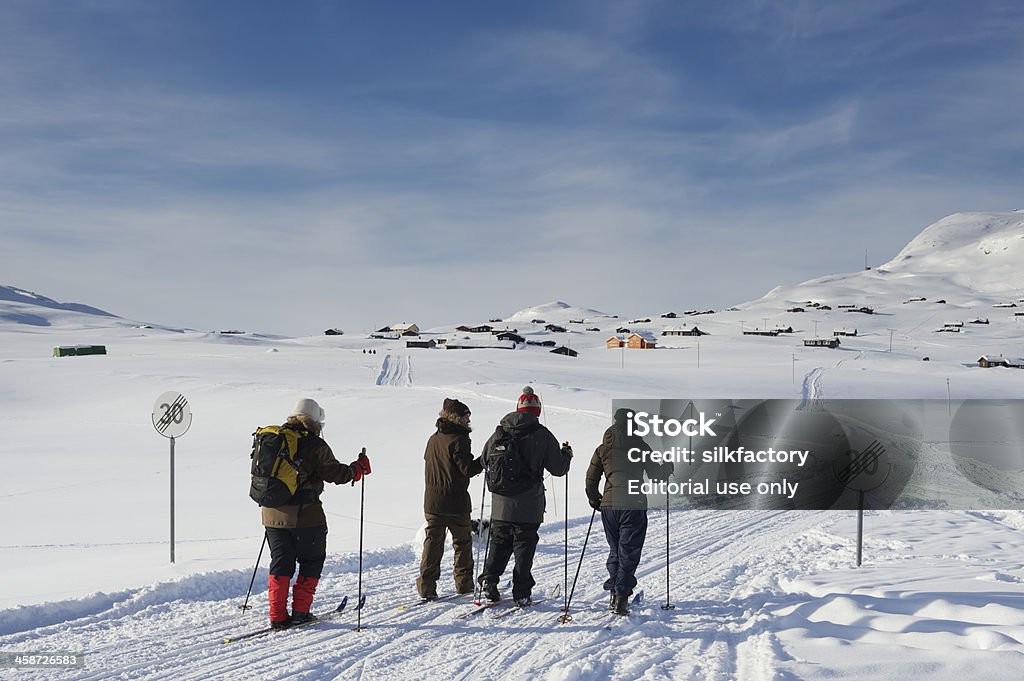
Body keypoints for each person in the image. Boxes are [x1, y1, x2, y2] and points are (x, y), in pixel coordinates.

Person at [261, 398, 372, 629]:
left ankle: (277, 615)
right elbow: (336, 474)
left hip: (271, 513)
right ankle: (301, 612)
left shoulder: (273, 439)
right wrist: (357, 469)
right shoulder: (313, 444)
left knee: (280, 563)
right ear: (314, 420)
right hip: (306, 515)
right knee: (311, 560)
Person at [478, 387, 572, 606]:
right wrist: (566, 454)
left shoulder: (499, 433)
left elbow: (484, 460)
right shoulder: (542, 435)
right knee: (524, 547)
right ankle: (521, 592)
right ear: (537, 411)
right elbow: (558, 469)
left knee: (499, 542)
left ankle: (489, 581)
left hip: (501, 504)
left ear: (517, 409)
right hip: (529, 505)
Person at [585, 408, 672, 615]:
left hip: (609, 507)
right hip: (633, 504)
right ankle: (622, 597)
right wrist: (667, 467)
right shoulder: (640, 446)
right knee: (629, 551)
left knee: (616, 549)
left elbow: (591, 478)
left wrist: (595, 499)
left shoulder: (602, 449)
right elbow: (657, 477)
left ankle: (614, 593)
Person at [418, 398, 484, 599]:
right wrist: (484, 460)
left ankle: (426, 587)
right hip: (455, 501)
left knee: (433, 544)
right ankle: (464, 585)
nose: (469, 420)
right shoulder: (459, 439)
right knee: (462, 543)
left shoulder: (433, 438)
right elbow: (467, 469)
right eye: (466, 416)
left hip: (432, 501)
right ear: (457, 418)